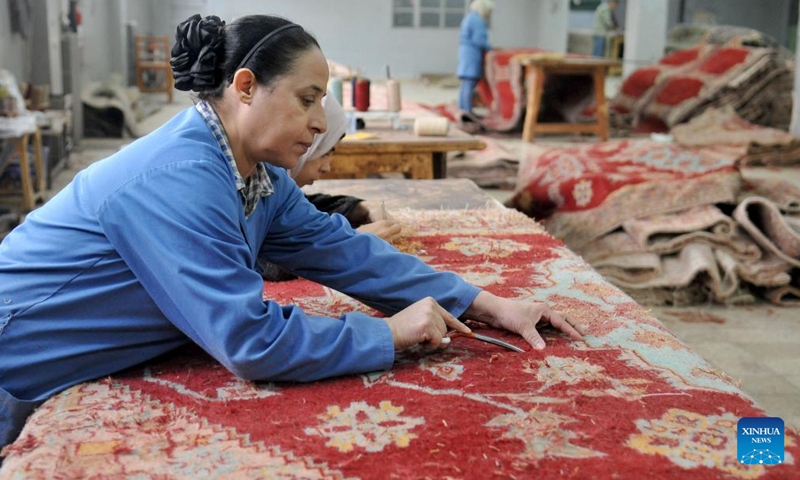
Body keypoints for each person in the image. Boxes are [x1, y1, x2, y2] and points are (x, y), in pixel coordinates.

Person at [0, 13, 583, 452]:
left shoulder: (254, 174)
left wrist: (486, 303)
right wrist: (388, 336)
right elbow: (249, 341)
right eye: (308, 99)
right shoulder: (180, 176)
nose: (319, 123)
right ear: (246, 86)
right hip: (16, 364)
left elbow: (342, 250)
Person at [288, 93, 402, 242]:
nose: (326, 168)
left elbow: (304, 206)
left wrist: (360, 207)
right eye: (324, 152)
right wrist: (352, 240)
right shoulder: (258, 190)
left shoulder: (277, 190)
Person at [456, 0, 494, 114]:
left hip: (466, 52)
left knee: (465, 84)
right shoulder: (477, 20)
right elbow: (479, 40)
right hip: (472, 54)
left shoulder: (469, 17)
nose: (489, 14)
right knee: (469, 82)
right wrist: (491, 48)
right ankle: (467, 112)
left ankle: (462, 108)